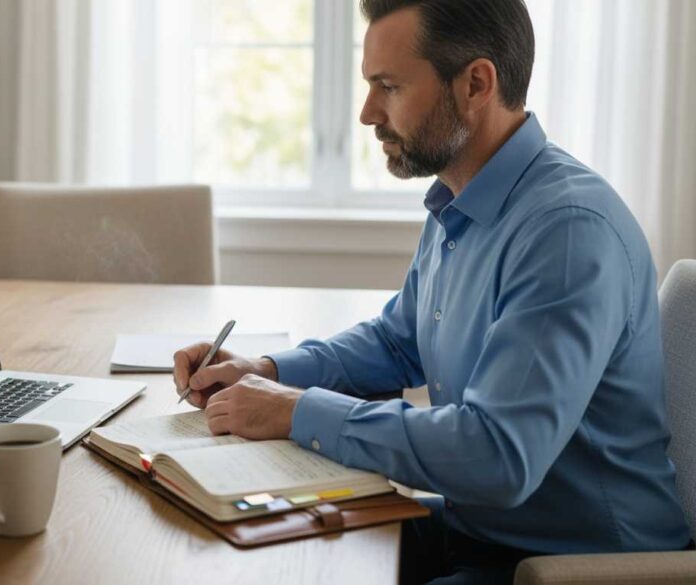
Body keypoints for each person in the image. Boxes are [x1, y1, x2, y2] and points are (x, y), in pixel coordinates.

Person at [172, 1, 691, 583]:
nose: (368, 113)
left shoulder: (567, 233)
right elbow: (399, 342)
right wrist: (264, 369)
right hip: (483, 533)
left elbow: (497, 455)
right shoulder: (462, 198)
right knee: (251, 548)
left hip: (571, 566)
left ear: (475, 83)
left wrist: (296, 411)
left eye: (388, 86)